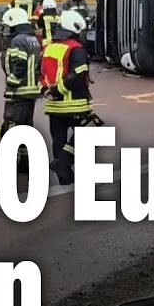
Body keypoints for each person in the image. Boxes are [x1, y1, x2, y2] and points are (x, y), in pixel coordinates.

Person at [41, 10, 103, 185]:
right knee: (90, 131)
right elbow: (77, 75)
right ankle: (64, 163)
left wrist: (46, 91)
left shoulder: (48, 48)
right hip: (74, 104)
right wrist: (58, 91)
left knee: (58, 139)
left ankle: (64, 177)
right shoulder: (76, 49)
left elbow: (40, 73)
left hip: (53, 107)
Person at [0, 6, 42, 173]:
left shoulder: (17, 41)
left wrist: (11, 83)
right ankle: (24, 163)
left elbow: (19, 65)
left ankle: (7, 166)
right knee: (26, 127)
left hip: (19, 91)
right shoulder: (31, 39)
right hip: (31, 91)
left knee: (11, 127)